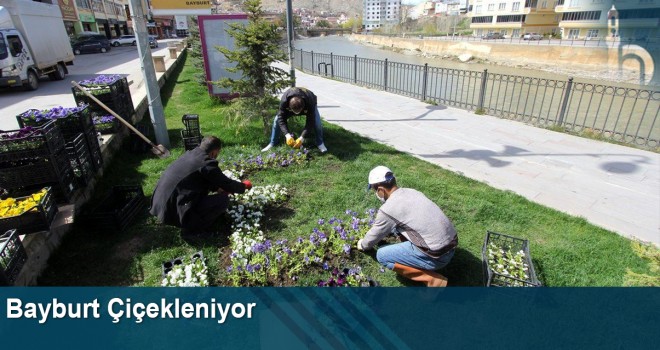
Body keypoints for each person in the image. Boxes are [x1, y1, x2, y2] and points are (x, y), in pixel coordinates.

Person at [357, 166, 458, 287]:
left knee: (382, 255)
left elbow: (373, 236)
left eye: (374, 190)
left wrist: (363, 244)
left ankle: (433, 280)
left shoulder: (388, 209)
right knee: (398, 227)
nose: (376, 194)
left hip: (437, 257)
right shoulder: (412, 191)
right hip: (452, 245)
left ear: (380, 190)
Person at [150, 136, 252, 236]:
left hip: (160, 204)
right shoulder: (207, 163)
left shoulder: (190, 154)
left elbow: (201, 177)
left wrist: (216, 188)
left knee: (206, 194)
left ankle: (188, 218)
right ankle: (195, 228)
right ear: (214, 152)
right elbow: (227, 183)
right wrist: (244, 186)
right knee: (223, 200)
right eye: (218, 153)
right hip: (173, 210)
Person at [261, 87, 327, 153]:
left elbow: (310, 121)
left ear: (303, 107)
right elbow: (281, 119)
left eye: (299, 112)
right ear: (289, 107)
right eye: (295, 112)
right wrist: (287, 135)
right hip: (292, 106)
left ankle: (320, 143)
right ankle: (273, 143)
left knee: (317, 122)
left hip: (309, 98)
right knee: (276, 120)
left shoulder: (310, 102)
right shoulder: (284, 101)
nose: (297, 114)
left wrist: (302, 137)